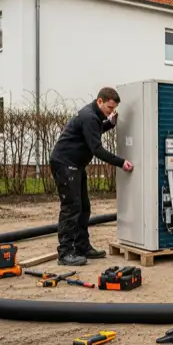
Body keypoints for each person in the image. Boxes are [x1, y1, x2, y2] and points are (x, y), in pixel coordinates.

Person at [49, 87, 134, 266]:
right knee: (71, 208)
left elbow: (93, 132)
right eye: (109, 108)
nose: (111, 112)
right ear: (100, 101)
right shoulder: (89, 117)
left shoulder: (93, 117)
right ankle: (65, 253)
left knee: (84, 207)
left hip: (76, 165)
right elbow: (97, 149)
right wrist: (121, 162)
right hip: (65, 164)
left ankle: (81, 246)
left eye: (113, 109)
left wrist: (109, 124)